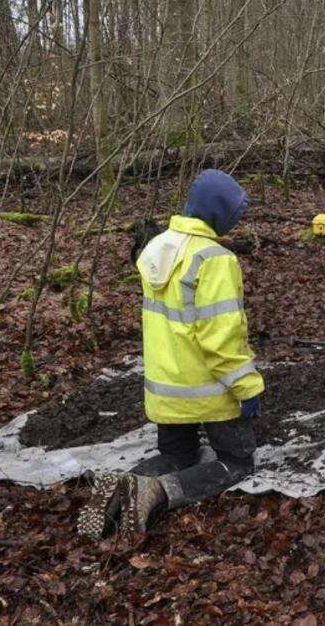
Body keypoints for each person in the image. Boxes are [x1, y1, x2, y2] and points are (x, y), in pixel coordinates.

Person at [78, 169, 265, 538]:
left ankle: (123, 484)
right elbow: (220, 339)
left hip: (165, 392)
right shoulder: (214, 259)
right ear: (218, 212)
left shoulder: (157, 248)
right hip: (208, 392)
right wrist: (246, 387)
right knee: (236, 462)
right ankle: (159, 491)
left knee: (179, 455)